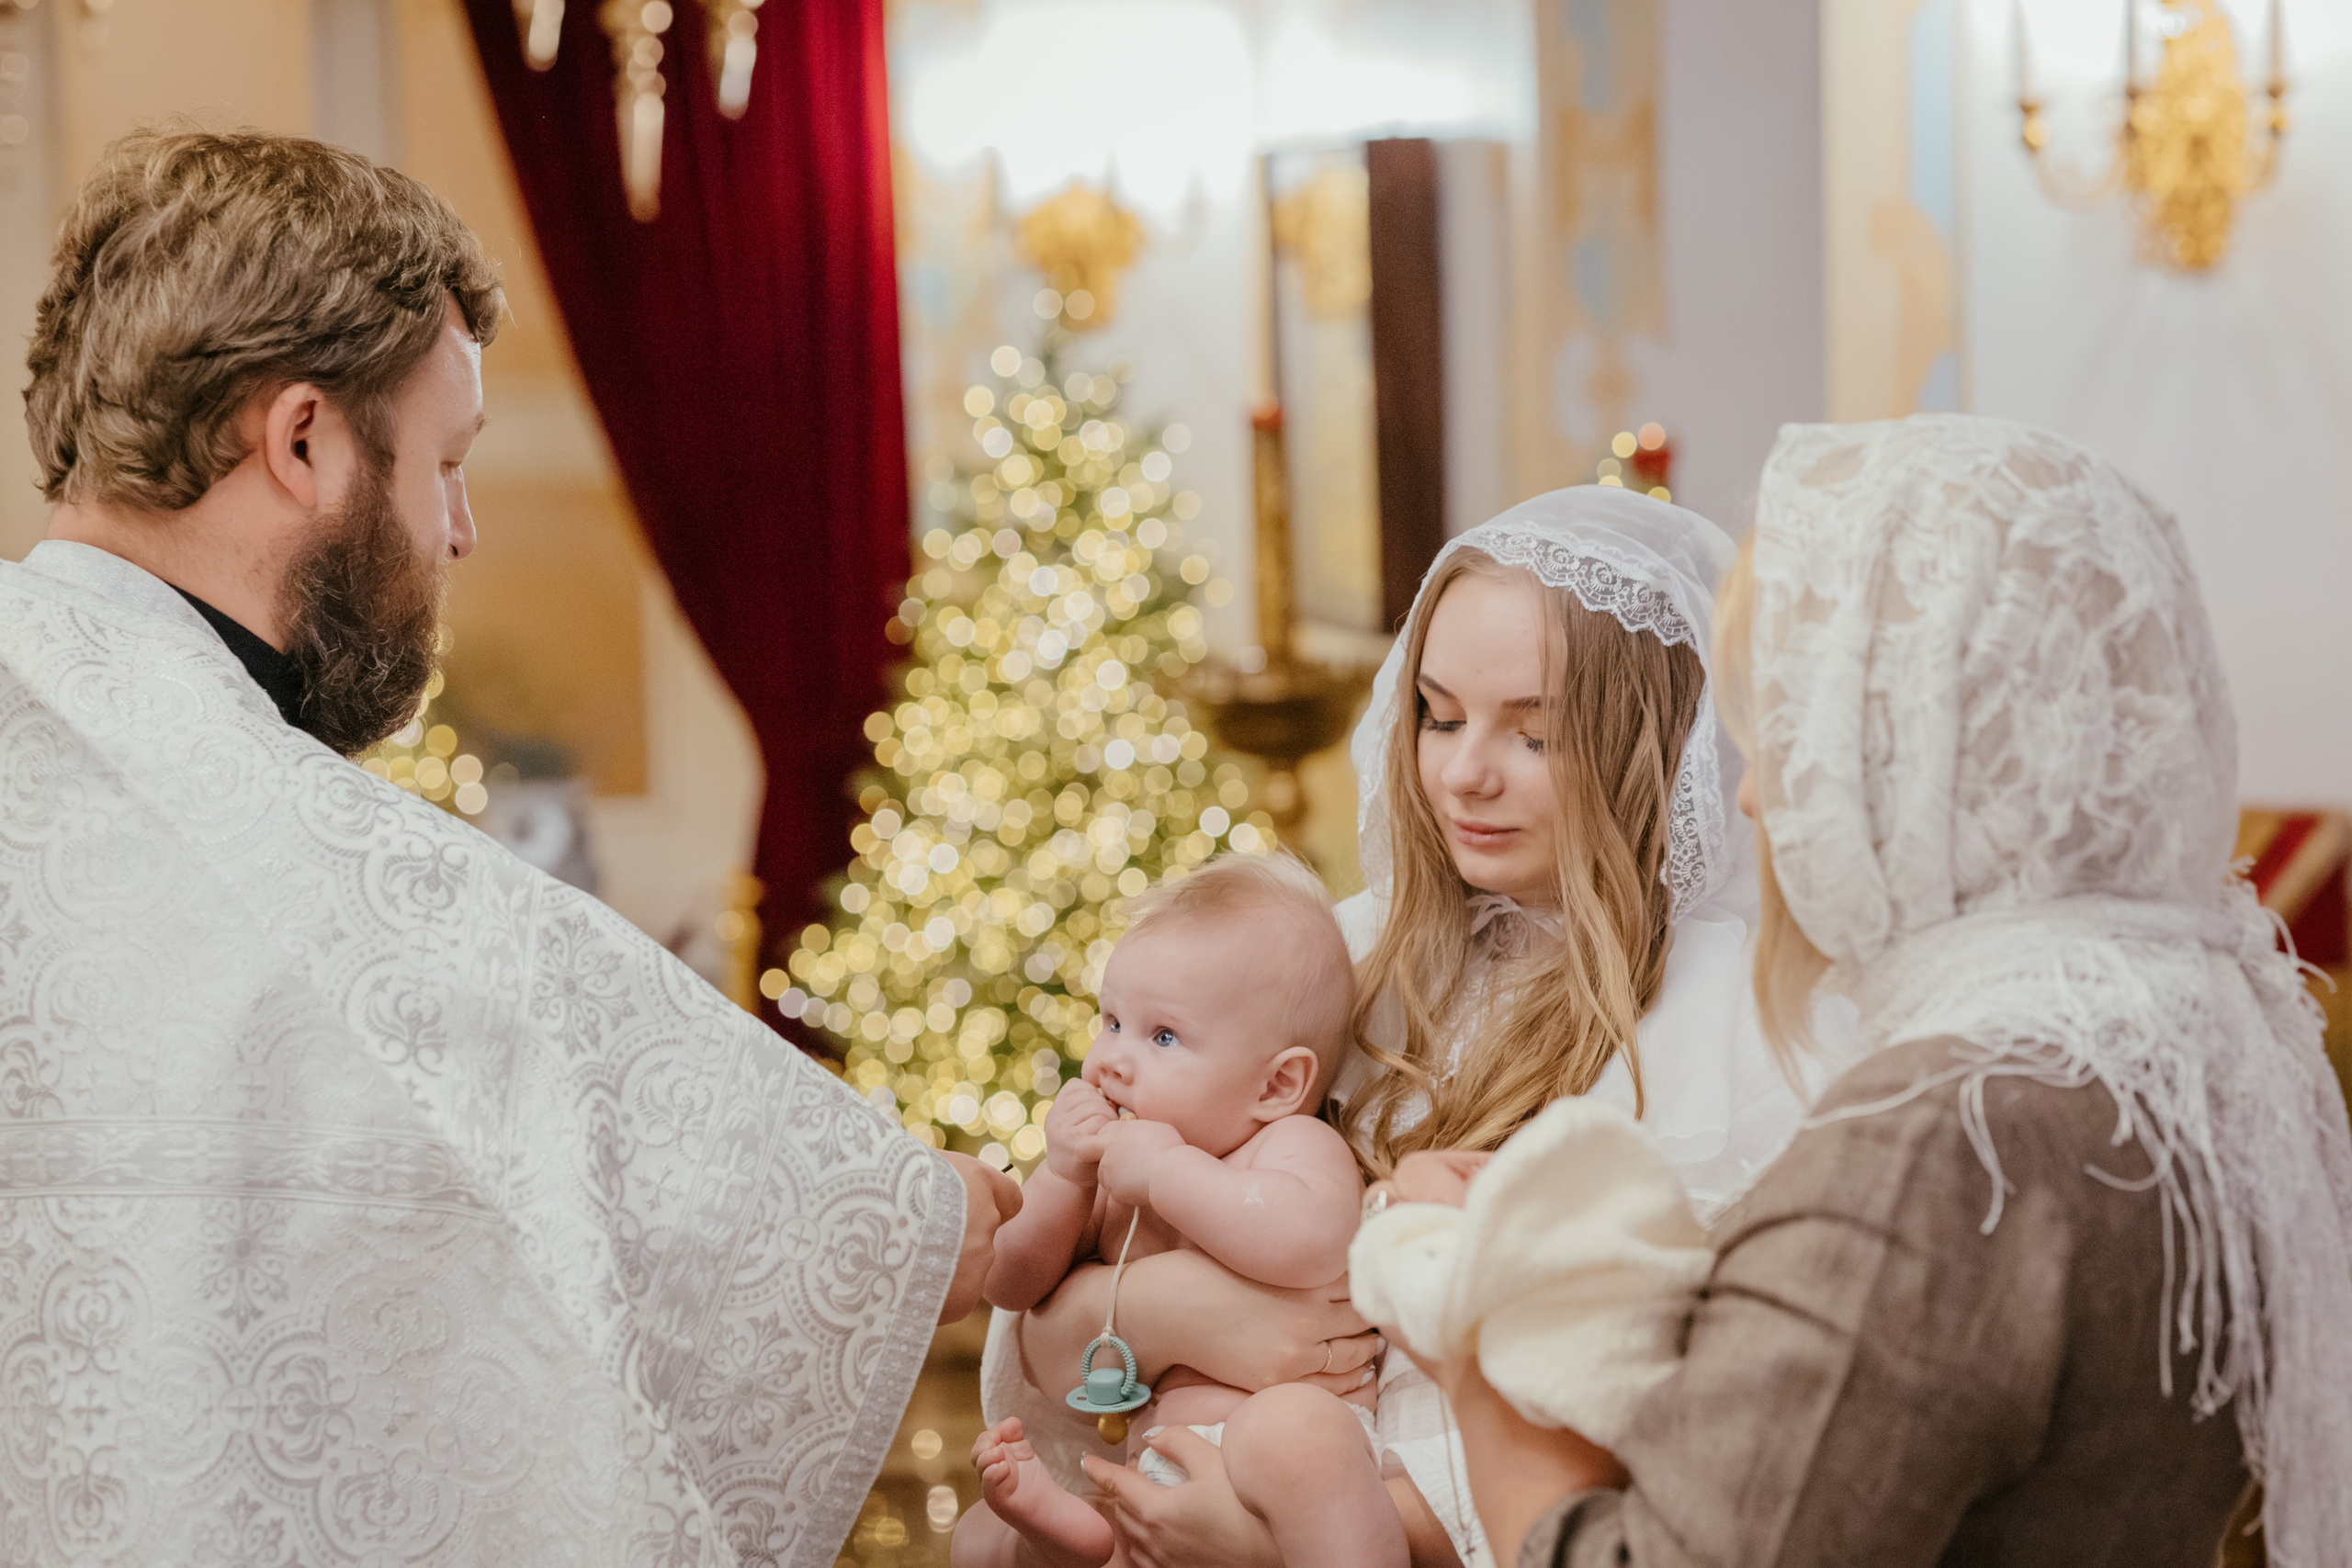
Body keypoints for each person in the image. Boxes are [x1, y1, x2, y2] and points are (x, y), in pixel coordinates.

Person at [1, 127, 1019, 1565]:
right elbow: (721, 1175)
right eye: (445, 463)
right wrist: (954, 1221)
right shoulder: (325, 870)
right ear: (302, 441)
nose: (461, 529)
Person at [1385, 414, 2352, 1567]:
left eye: (1794, 734)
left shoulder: (1943, 1139)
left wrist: (1474, 1302)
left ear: (1918, 752)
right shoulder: (2181, 1039)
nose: (1748, 800)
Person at [1000, 489, 1823, 1567]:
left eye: (1533, 734)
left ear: (1646, 746)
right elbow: (1037, 1333)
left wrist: (1308, 1532)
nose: (1463, 772)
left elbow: (1681, 1434)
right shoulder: (1327, 960)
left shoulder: (1726, 1032)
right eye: (1439, 715)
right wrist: (1179, 1313)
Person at [960, 852, 1397, 1568]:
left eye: (1162, 1037)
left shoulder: (1288, 1143)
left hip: (1274, 1477)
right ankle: (1079, 1537)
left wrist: (1168, 1171)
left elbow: (1313, 1240)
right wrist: (1066, 1175)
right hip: (1157, 1464)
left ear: (1277, 1083)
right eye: (1111, 1021)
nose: (1111, 1061)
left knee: (1296, 1430)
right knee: (979, 1538)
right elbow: (1009, 1280)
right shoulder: (1114, 1171)